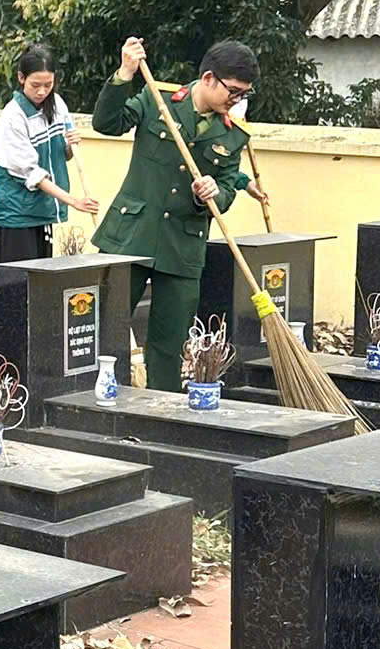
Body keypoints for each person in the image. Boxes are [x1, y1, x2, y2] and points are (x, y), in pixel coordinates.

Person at [91, 35, 256, 391]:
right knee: (105, 327)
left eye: (243, 94)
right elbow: (106, 123)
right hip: (132, 234)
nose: (236, 100)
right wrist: (125, 72)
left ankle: (161, 409)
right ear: (209, 78)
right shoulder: (157, 99)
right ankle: (95, 400)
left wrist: (213, 193)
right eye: (233, 91)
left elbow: (227, 191)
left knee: (169, 345)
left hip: (183, 245)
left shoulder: (233, 136)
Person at [0, 44, 98, 264]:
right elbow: (33, 175)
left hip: (43, 209)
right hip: (18, 212)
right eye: (35, 85)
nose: (41, 91)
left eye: (48, 85)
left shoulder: (58, 105)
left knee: (41, 277)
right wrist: (74, 202)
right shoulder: (13, 117)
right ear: (21, 78)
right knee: (18, 279)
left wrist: (70, 145)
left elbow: (63, 156)